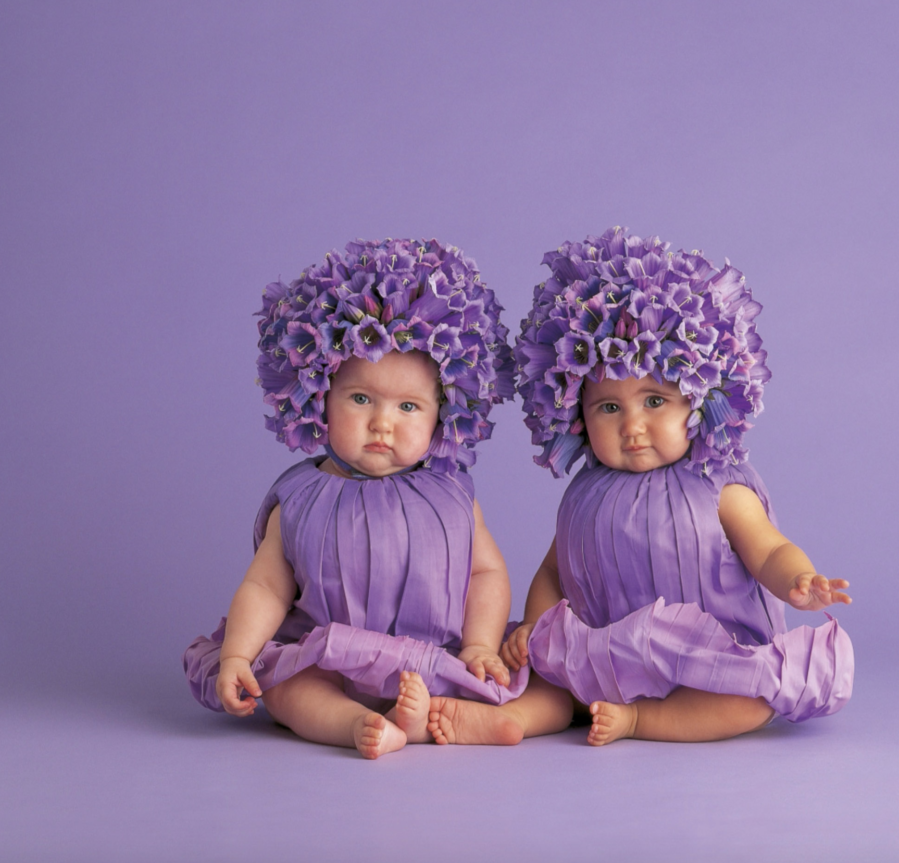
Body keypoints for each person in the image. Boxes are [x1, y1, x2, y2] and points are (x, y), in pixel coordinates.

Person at [426, 227, 853, 746]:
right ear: (574, 414)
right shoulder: (586, 496)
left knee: (754, 698)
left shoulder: (720, 487)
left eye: (654, 401)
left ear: (698, 398)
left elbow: (769, 551)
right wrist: (534, 633)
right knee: (548, 684)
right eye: (609, 407)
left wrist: (799, 580)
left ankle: (640, 722)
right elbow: (554, 572)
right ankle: (510, 721)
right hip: (601, 660)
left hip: (706, 662)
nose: (632, 426)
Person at [183, 238, 530, 758]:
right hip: (327, 661)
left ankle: (440, 715)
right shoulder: (300, 498)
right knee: (282, 688)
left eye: (408, 406)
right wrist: (237, 653)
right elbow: (265, 587)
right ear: (318, 394)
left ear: (445, 415)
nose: (382, 423)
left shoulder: (452, 492)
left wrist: (479, 644)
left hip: (433, 659)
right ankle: (356, 723)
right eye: (361, 398)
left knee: (519, 667)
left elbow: (486, 574)